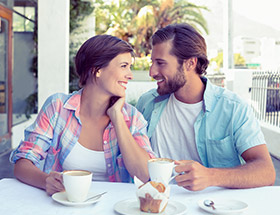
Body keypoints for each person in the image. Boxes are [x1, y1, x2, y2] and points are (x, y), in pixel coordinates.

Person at [136, 23, 276, 191]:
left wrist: (210, 176)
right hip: (157, 203)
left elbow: (266, 171)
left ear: (190, 63)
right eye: (152, 62)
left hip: (211, 206)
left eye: (160, 63)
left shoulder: (233, 108)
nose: (152, 72)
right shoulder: (147, 103)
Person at [10, 35, 155, 195]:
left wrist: (117, 117)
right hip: (65, 205)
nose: (130, 75)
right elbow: (22, 163)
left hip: (114, 207)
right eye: (123, 66)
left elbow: (145, 174)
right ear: (97, 70)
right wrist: (46, 181)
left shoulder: (132, 118)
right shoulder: (58, 107)